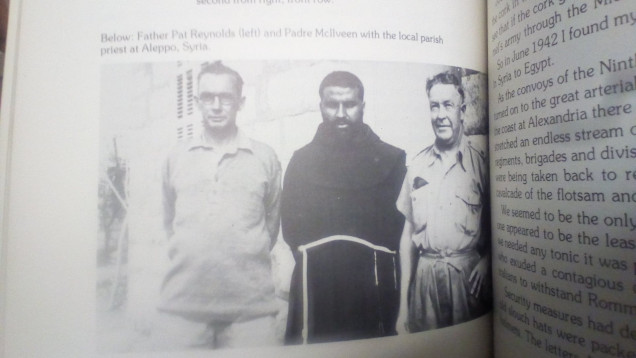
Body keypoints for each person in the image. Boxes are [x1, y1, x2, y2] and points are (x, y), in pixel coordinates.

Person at [157, 61, 282, 349]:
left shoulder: (264, 157)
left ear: (240, 102)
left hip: (251, 312)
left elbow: (270, 228)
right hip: (183, 310)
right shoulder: (176, 157)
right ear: (196, 102)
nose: (216, 106)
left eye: (225, 97)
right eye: (207, 97)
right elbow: (169, 223)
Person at [281, 71, 406, 344]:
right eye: (331, 104)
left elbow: (396, 233)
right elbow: (290, 227)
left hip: (371, 285)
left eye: (349, 104)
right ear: (320, 106)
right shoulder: (301, 161)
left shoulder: (391, 159)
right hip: (317, 285)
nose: (340, 113)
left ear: (363, 106)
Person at [396, 71, 490, 333]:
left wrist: (488, 261)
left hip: (468, 282)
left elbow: (502, 225)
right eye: (434, 106)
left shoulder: (481, 162)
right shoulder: (416, 166)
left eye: (448, 105)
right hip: (425, 284)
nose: (440, 115)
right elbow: (407, 239)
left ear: (462, 110)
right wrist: (403, 306)